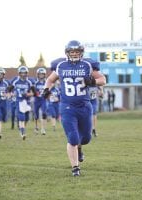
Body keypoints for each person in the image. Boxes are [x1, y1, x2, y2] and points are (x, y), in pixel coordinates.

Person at [43, 40, 106, 176]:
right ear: (67, 53)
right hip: (67, 107)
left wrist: (93, 81)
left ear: (81, 53)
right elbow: (50, 80)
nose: (75, 54)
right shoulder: (61, 66)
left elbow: (103, 79)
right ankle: (75, 168)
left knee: (85, 139)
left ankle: (79, 148)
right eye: (72, 52)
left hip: (84, 106)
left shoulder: (87, 65)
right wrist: (46, 89)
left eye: (77, 52)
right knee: (72, 137)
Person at [9, 66, 35, 140]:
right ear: (19, 73)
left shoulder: (29, 82)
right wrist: (10, 94)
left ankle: (21, 127)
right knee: (22, 118)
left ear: (27, 73)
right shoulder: (15, 81)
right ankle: (23, 132)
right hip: (19, 101)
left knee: (26, 118)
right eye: (22, 73)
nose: (23, 74)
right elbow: (9, 90)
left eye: (24, 73)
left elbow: (34, 93)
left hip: (27, 102)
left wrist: (29, 94)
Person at [33, 67, 48, 135]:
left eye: (42, 74)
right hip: (37, 100)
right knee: (36, 115)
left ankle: (43, 129)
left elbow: (49, 90)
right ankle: (36, 127)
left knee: (44, 114)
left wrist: (47, 94)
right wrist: (34, 93)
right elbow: (33, 91)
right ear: (38, 75)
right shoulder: (35, 82)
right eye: (40, 74)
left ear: (44, 75)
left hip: (43, 100)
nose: (41, 75)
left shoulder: (46, 82)